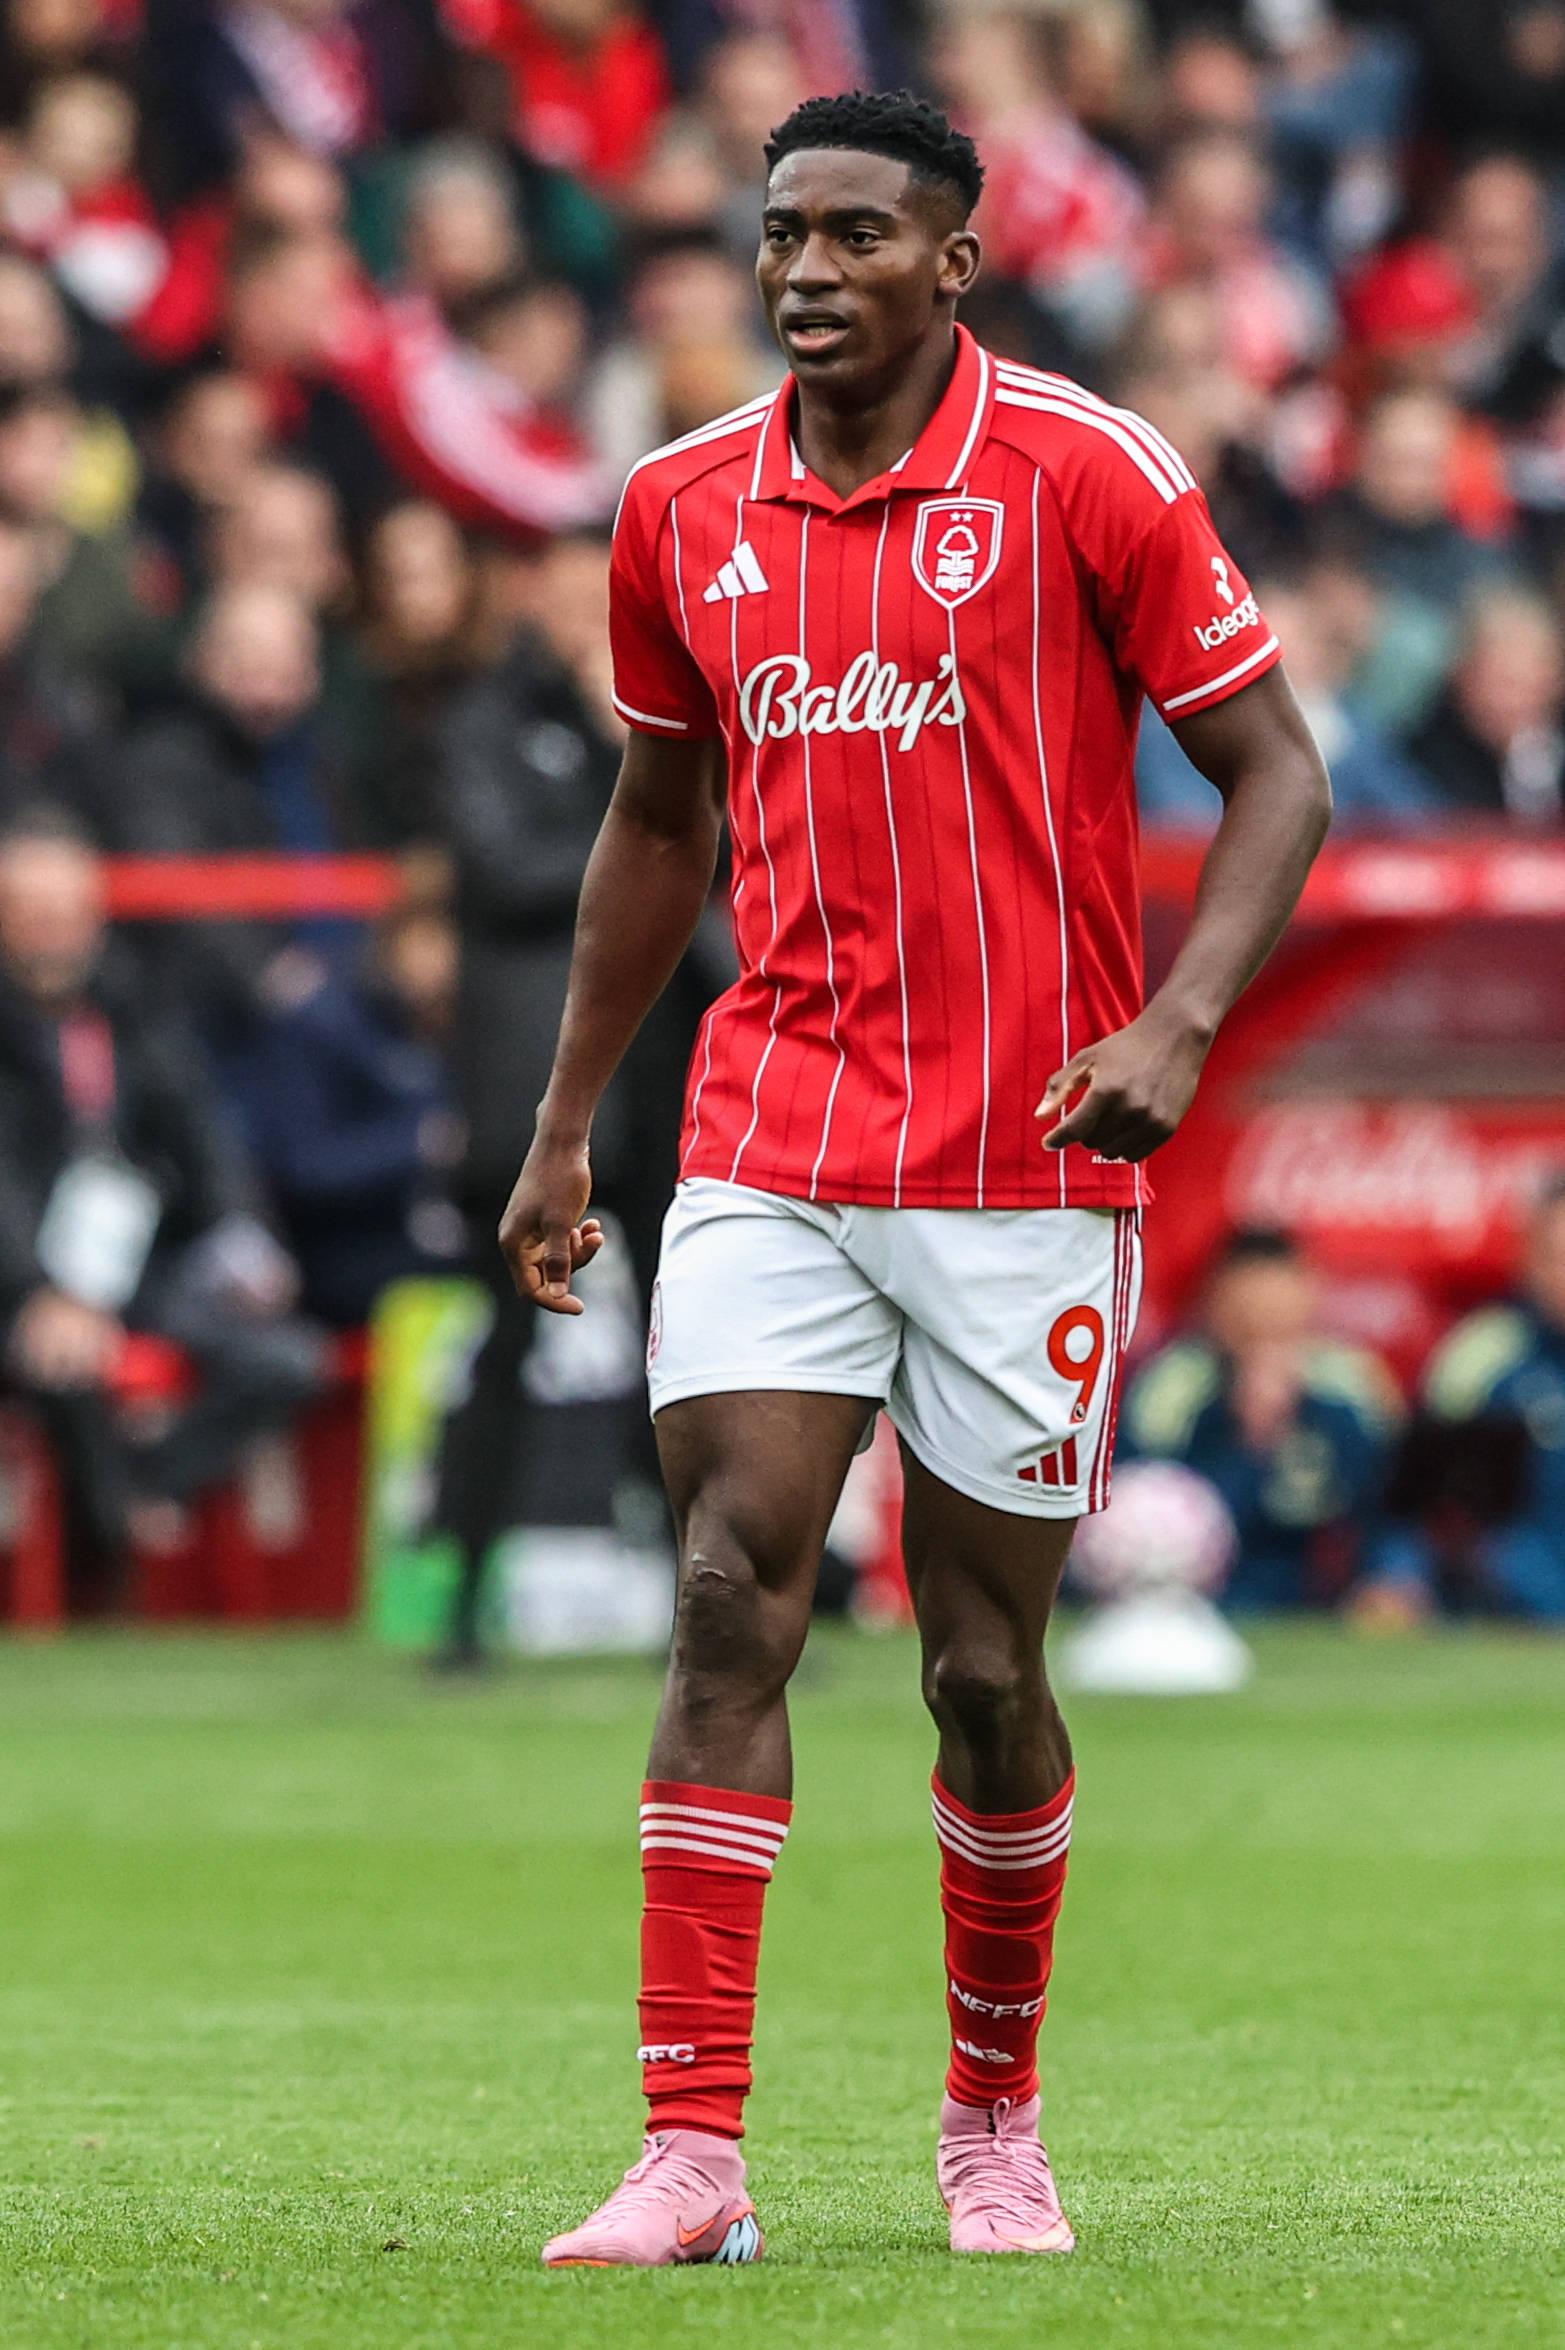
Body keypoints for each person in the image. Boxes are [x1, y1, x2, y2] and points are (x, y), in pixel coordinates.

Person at [498, 89, 1330, 2267]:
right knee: (720, 1589)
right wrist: (572, 1114)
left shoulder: (1088, 471)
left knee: (975, 1661)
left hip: (1018, 1154)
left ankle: (991, 2115)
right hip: (770, 1126)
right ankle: (691, 2153)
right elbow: (654, 823)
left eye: (856, 233)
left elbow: (1272, 775)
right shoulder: (678, 506)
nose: (801, 269)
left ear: (949, 261)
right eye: (781, 230)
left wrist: (1169, 1026)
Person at [0, 810, 325, 1611]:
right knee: (66, 1371)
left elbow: (205, 1137)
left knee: (286, 1359)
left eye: (66, 913)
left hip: (131, 1267)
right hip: (21, 1283)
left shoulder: (134, 1007)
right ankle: (101, 1570)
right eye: (32, 915)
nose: (53, 933)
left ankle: (137, 1489)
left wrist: (246, 1240)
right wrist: (41, 1293)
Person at [1118, 1226, 1403, 1609]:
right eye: (1251, 1311)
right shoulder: (1172, 1384)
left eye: (1279, 1312)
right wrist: (1248, 1436)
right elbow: (1150, 1514)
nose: (1266, 1325)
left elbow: (1386, 1499)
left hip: (1324, 1585)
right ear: (1215, 1305)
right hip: (1207, 1587)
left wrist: (1388, 1576)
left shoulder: (1351, 1380)